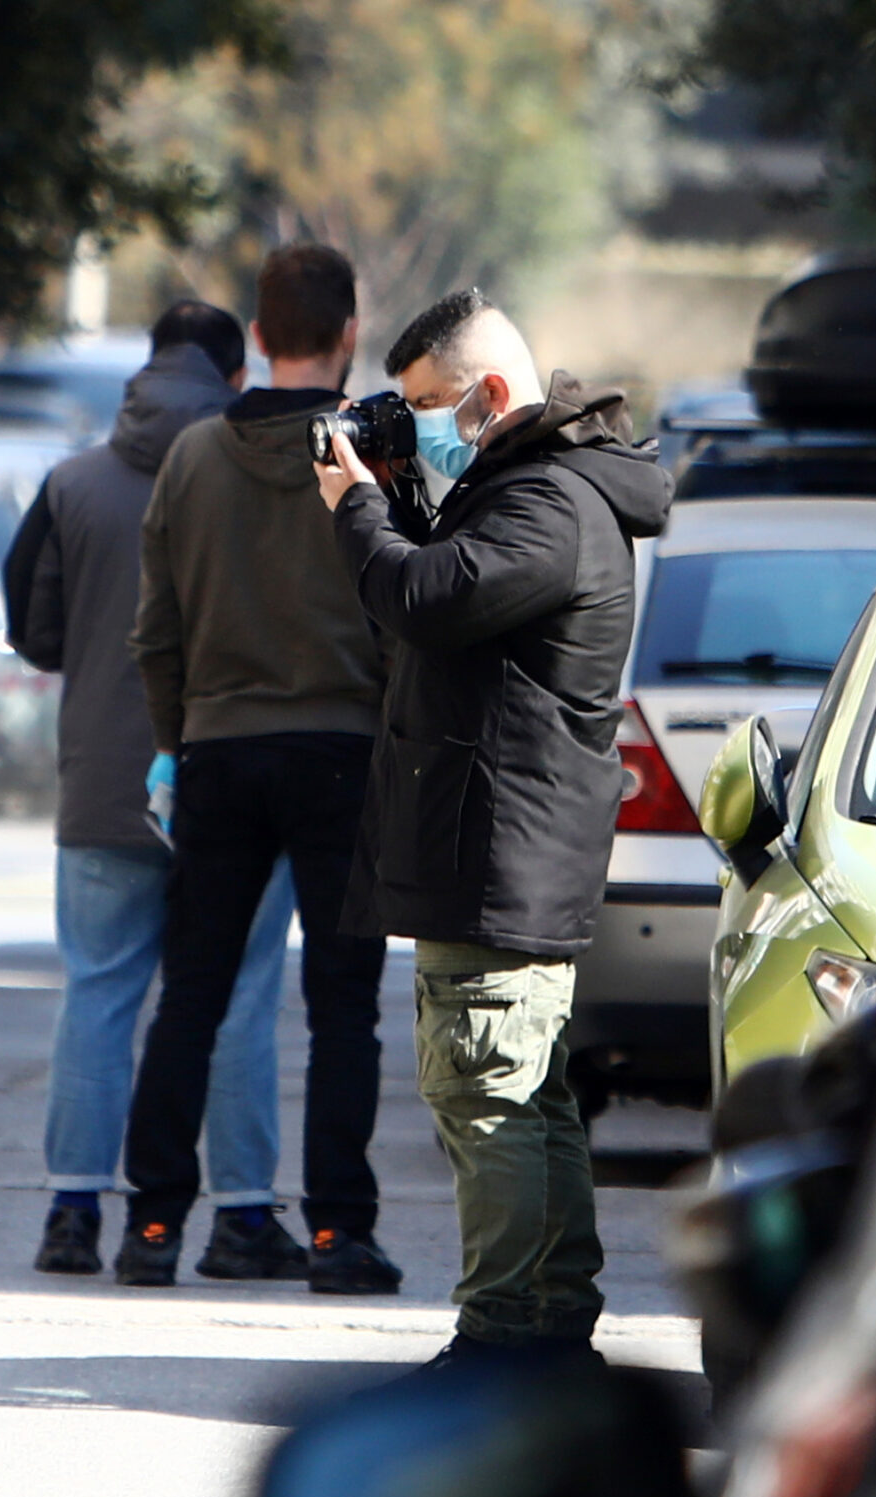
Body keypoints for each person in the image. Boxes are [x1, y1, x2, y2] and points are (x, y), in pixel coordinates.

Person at [316, 288, 672, 1361]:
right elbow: (442, 604)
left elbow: (425, 600)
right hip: (501, 847)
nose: (419, 422)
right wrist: (394, 493)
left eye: (429, 403)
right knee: (523, 1095)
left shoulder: (546, 505)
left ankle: (505, 1341)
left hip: (499, 853)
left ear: (493, 393)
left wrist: (356, 508)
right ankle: (547, 1328)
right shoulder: (531, 489)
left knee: (489, 1097)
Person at [115, 244, 397, 1292]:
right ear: (349, 334)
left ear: (263, 337)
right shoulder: (375, 452)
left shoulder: (193, 458)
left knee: (190, 995)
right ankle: (339, 1235)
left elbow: (156, 630)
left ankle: (151, 1226)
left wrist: (174, 742)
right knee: (343, 1007)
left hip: (220, 751)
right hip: (343, 753)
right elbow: (407, 607)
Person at [4, 301, 304, 1280]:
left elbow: (34, 631)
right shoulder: (267, 480)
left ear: (147, 366)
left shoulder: (72, 482)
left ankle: (72, 1212)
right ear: (235, 375)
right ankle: (242, 1216)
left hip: (101, 782)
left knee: (97, 991)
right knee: (239, 995)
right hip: (233, 773)